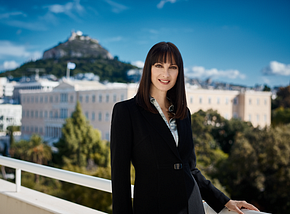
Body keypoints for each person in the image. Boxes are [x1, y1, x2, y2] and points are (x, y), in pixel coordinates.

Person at [110, 42, 259, 214]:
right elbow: (120, 177)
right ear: (148, 68)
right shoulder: (126, 111)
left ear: (179, 72)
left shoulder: (183, 113)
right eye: (159, 65)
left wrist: (224, 201)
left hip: (192, 206)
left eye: (172, 67)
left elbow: (190, 168)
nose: (165, 74)